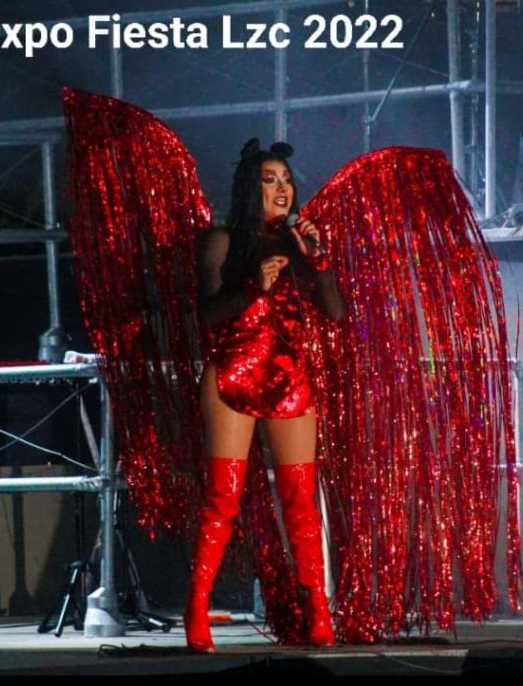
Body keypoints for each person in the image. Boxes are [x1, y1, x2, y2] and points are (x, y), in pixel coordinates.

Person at [184, 138, 346, 653]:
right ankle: (197, 609)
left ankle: (318, 611)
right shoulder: (222, 242)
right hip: (233, 373)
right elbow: (206, 316)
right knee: (222, 500)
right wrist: (253, 287)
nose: (282, 189)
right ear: (249, 189)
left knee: (301, 501)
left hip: (289, 377)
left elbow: (335, 312)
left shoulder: (300, 242)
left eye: (287, 180)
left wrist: (318, 261)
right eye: (270, 180)